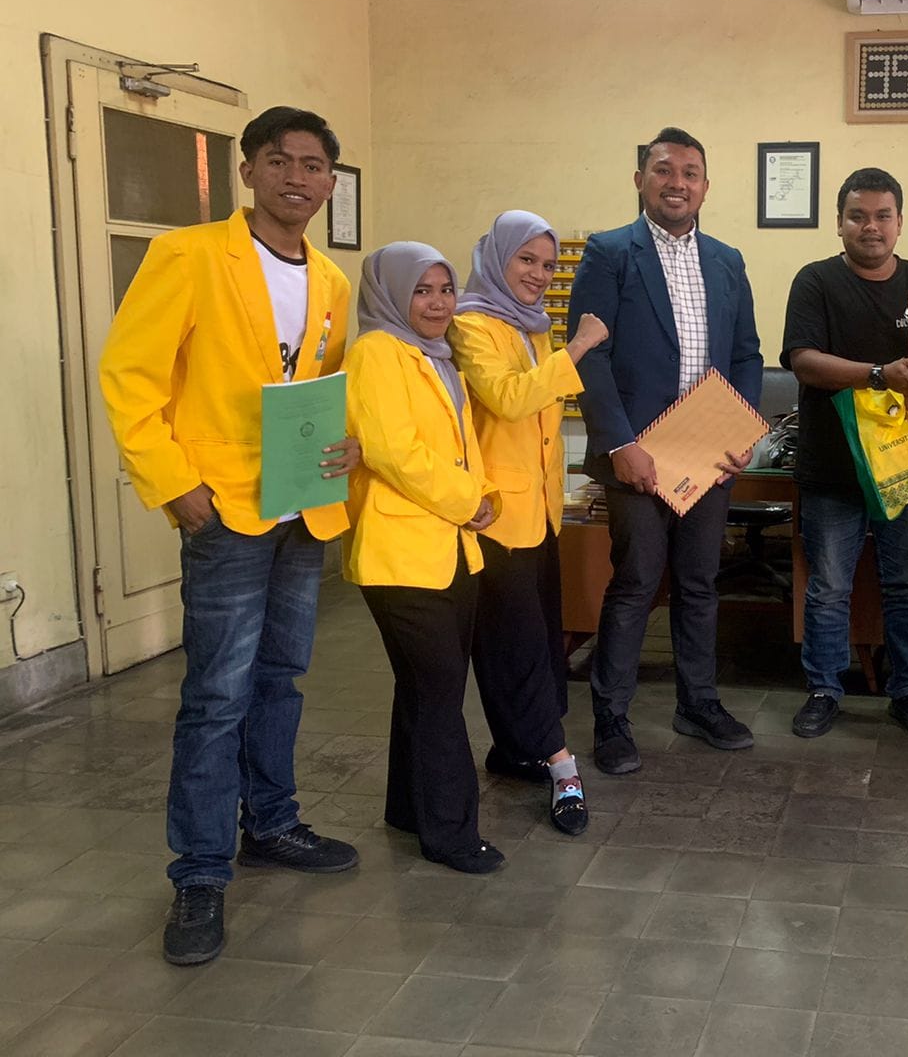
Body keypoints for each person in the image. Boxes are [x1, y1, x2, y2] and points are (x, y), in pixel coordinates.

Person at [100, 106, 361, 966]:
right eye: (279, 161)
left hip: (302, 508)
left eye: (313, 165)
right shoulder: (189, 256)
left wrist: (347, 445)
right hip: (222, 512)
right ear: (247, 171)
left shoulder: (331, 280)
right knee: (216, 695)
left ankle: (272, 822)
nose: (297, 178)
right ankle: (200, 872)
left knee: (281, 679)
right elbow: (129, 376)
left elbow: (319, 387)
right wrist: (174, 484)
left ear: (330, 182)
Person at [570, 127, 763, 776]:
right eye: (664, 170)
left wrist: (740, 430)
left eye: (690, 173)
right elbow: (589, 355)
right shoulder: (609, 253)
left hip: (708, 448)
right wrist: (619, 443)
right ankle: (611, 718)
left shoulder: (728, 260)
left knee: (699, 582)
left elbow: (747, 354)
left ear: (705, 186)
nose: (677, 183)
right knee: (635, 582)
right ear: (641, 180)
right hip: (639, 452)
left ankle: (698, 703)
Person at [782, 167, 908, 741]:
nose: (871, 226)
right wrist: (879, 374)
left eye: (882, 215)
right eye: (858, 216)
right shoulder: (815, 281)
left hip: (905, 466)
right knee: (828, 588)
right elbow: (803, 361)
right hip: (832, 467)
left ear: (899, 222)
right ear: (839, 222)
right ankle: (824, 690)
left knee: (907, 585)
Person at [343, 243, 504, 873]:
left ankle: (409, 808)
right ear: (390, 294)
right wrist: (469, 500)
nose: (438, 304)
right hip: (401, 554)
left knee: (423, 686)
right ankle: (451, 834)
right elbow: (393, 451)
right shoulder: (376, 352)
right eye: (421, 290)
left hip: (450, 548)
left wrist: (483, 495)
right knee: (439, 693)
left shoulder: (437, 355)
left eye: (445, 289)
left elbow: (461, 444)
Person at [449, 210, 609, 835]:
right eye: (527, 260)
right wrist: (579, 346)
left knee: (536, 642)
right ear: (497, 257)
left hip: (539, 514)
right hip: (496, 516)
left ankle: (518, 746)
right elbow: (510, 399)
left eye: (548, 264)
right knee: (515, 645)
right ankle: (562, 766)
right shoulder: (470, 324)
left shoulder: (530, 326)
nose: (539, 274)